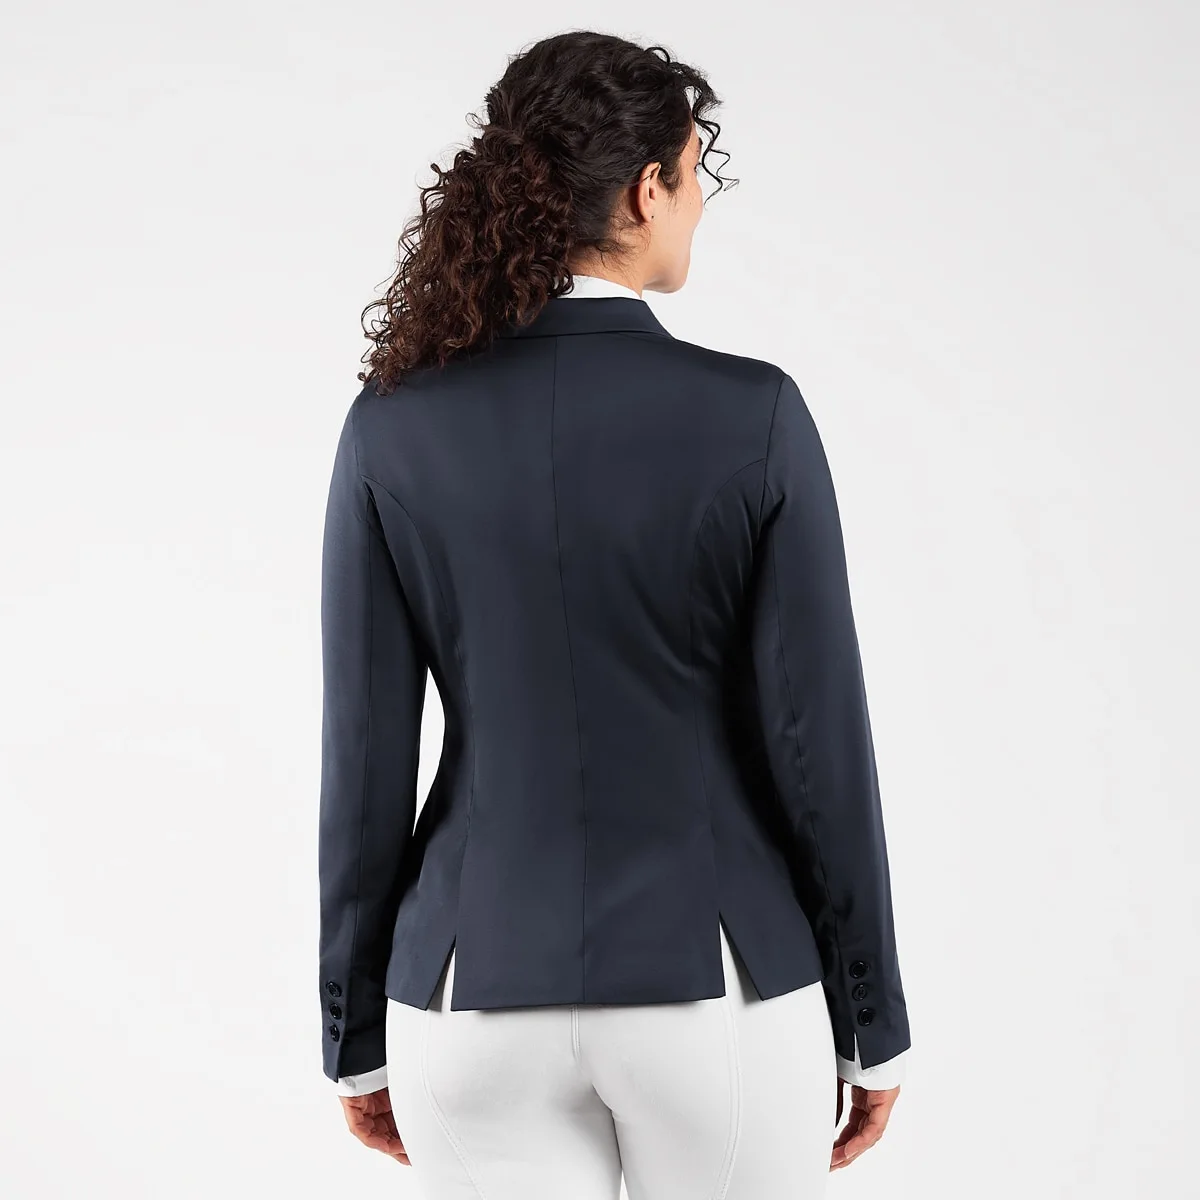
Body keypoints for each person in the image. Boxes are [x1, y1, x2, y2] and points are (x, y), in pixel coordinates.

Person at [316, 28, 911, 1200]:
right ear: (647, 189)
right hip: (721, 989)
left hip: (465, 994)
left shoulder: (390, 426)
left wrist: (354, 1038)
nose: (698, 205)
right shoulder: (754, 416)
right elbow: (818, 745)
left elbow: (365, 757)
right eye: (695, 175)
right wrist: (872, 1021)